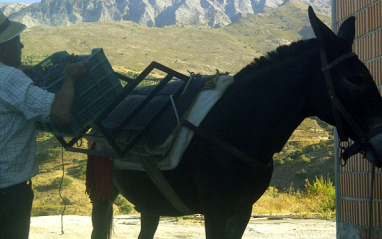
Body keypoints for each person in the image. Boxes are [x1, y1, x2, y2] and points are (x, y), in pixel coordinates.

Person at [0, 11, 87, 238]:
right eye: (15, 41)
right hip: (8, 194)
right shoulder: (9, 78)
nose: (21, 46)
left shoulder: (10, 77)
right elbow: (59, 113)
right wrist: (69, 77)